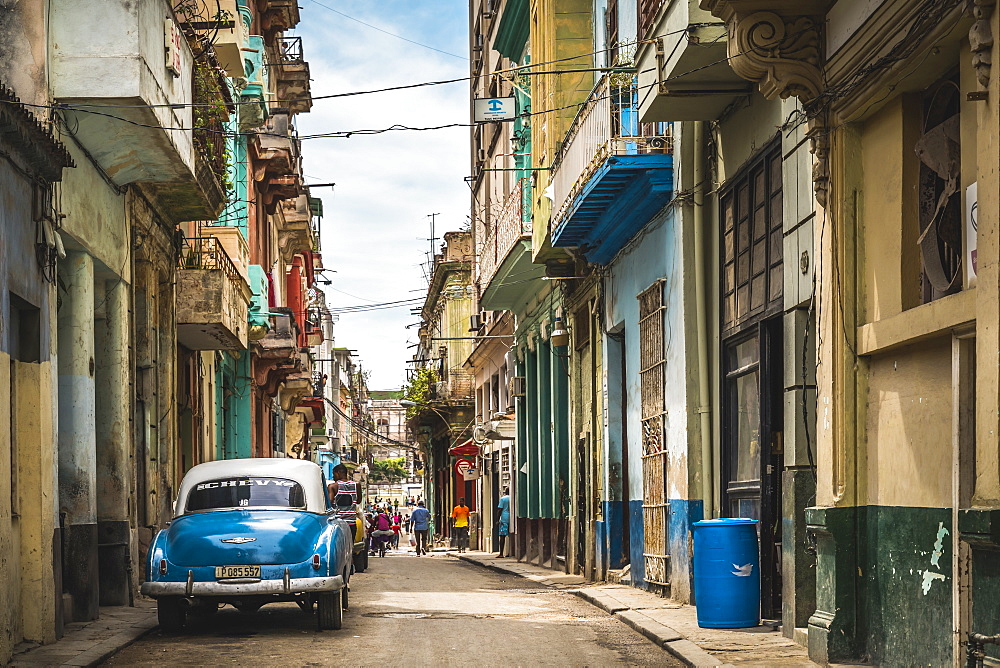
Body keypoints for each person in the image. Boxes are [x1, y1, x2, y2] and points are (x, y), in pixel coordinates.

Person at [496, 487, 511, 558]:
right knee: (511, 535)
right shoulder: (513, 498)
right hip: (511, 518)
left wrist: (497, 519)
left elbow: (499, 509)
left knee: (502, 536)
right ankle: (510, 552)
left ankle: (501, 553)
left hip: (504, 518)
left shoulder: (503, 499)